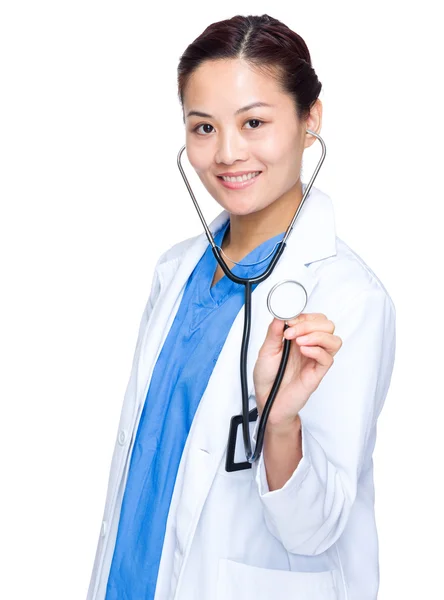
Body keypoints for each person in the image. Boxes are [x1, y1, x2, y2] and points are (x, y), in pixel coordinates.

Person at [86, 14, 396, 600]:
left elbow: (316, 527)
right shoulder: (175, 271)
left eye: (254, 122)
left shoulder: (349, 297)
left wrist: (279, 424)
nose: (227, 153)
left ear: (311, 120)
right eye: (203, 128)